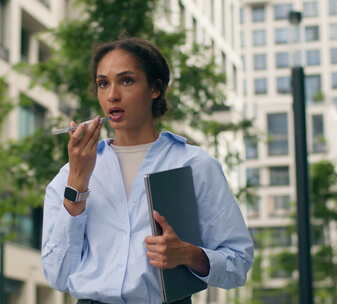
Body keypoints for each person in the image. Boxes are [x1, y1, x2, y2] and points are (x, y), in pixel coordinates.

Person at [41, 37, 254, 304]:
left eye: (127, 80)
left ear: (155, 88)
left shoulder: (194, 165)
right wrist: (78, 182)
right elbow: (57, 275)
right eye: (103, 83)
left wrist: (189, 254)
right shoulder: (71, 173)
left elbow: (239, 263)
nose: (112, 95)